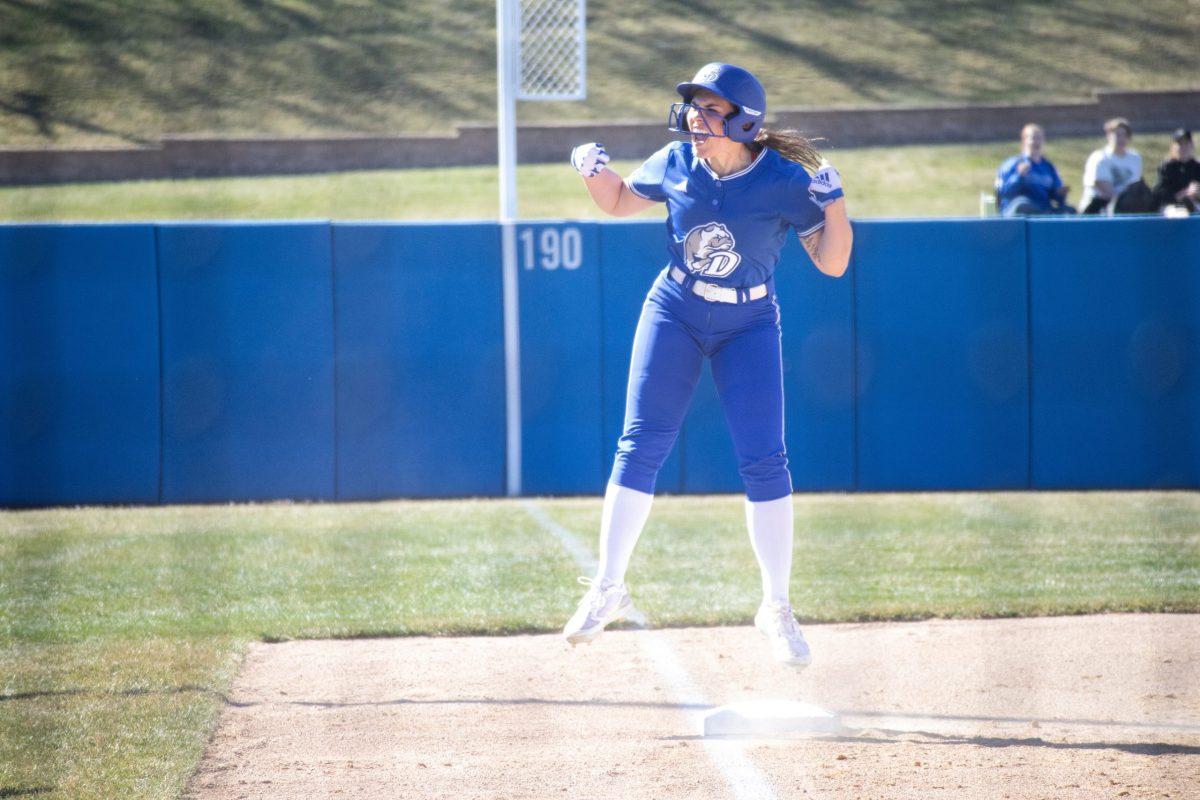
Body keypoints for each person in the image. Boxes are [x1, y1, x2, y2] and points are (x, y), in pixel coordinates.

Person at [562, 63, 852, 670]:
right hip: (676, 307)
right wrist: (593, 173)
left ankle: (775, 606)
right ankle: (608, 586)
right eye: (693, 104)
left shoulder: (782, 180)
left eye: (710, 107)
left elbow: (832, 263)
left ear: (744, 120)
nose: (695, 115)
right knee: (639, 444)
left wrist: (837, 206)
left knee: (765, 459)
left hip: (749, 322)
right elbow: (617, 202)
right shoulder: (674, 162)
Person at [994, 124, 1075, 216]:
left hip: (1043, 211)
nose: (1036, 142)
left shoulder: (1048, 167)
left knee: (1070, 211)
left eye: (1039, 138)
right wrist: (1019, 176)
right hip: (1018, 212)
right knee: (1022, 204)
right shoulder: (1012, 164)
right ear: (1024, 140)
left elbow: (1057, 198)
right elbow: (1004, 193)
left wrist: (1061, 194)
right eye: (1033, 138)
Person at [1080, 117, 1143, 215]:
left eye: (1124, 135)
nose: (1121, 139)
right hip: (1098, 206)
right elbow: (1106, 190)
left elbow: (1134, 187)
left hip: (1126, 206)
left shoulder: (1135, 158)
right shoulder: (1100, 158)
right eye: (1117, 135)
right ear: (1109, 136)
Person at [1151, 129, 1200, 213]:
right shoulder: (1167, 167)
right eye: (1180, 144)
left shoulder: (1197, 167)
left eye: (1186, 143)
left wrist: (1197, 194)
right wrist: (1181, 195)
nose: (1183, 147)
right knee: (1177, 213)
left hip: (1195, 205)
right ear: (1174, 147)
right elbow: (1158, 194)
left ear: (1192, 145)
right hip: (1171, 207)